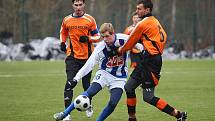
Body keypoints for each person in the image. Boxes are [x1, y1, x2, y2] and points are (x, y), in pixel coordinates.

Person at [54, 23, 143, 121]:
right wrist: (76, 79)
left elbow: (139, 45)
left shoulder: (123, 39)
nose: (105, 39)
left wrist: (143, 52)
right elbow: (89, 64)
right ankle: (64, 113)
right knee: (89, 93)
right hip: (104, 73)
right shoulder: (100, 48)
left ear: (113, 33)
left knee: (113, 103)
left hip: (119, 77)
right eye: (103, 37)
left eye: (107, 36)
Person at [117, 0, 187, 121]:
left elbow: (129, 44)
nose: (137, 11)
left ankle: (179, 115)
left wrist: (119, 50)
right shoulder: (154, 20)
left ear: (147, 10)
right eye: (137, 8)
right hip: (147, 59)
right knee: (128, 88)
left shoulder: (142, 24)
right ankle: (132, 118)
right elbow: (164, 36)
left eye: (139, 9)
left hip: (151, 62)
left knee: (148, 97)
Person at [59, 0, 100, 120]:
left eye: (80, 5)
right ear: (73, 5)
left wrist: (88, 38)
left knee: (86, 85)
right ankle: (67, 114)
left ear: (84, 5)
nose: (78, 7)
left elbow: (97, 37)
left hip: (87, 57)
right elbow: (63, 32)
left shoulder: (90, 19)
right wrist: (62, 42)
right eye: (76, 5)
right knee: (69, 84)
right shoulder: (67, 20)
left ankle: (88, 106)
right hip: (72, 56)